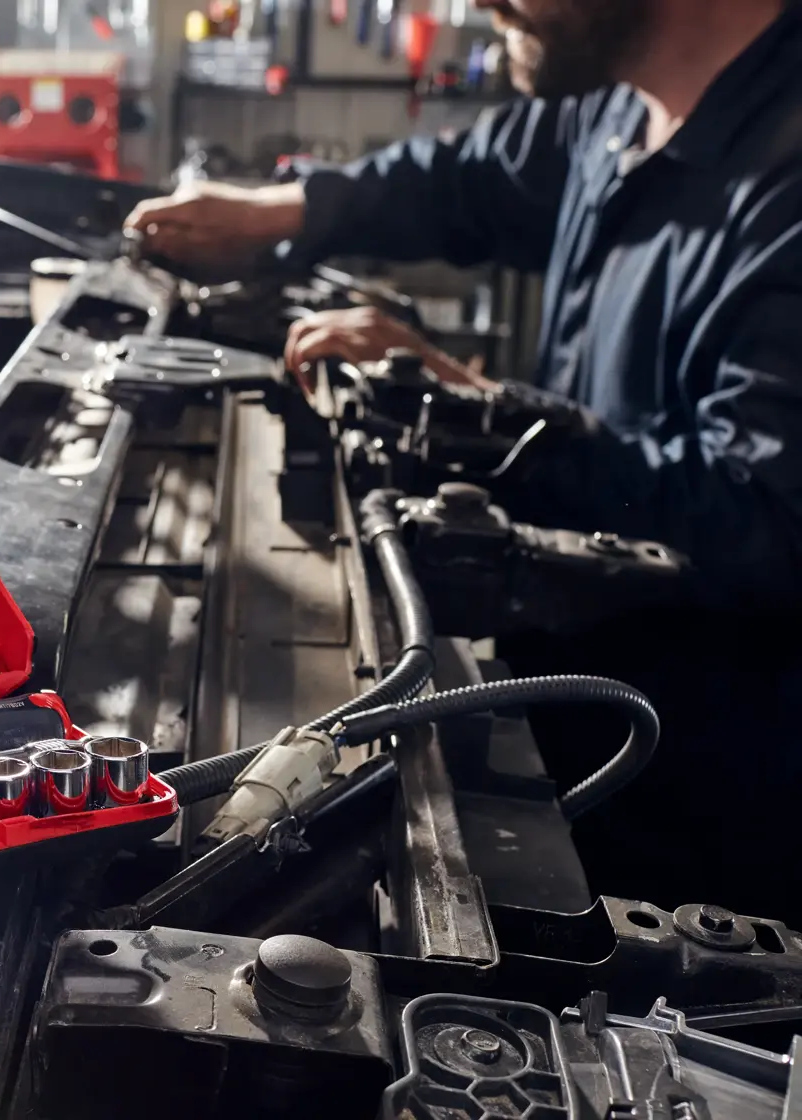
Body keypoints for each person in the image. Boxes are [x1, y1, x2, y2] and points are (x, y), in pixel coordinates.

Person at [127, 0, 802, 918]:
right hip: (566, 704)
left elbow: (761, 519)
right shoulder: (619, 107)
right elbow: (468, 179)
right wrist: (283, 210)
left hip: (692, 810)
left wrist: (467, 411)